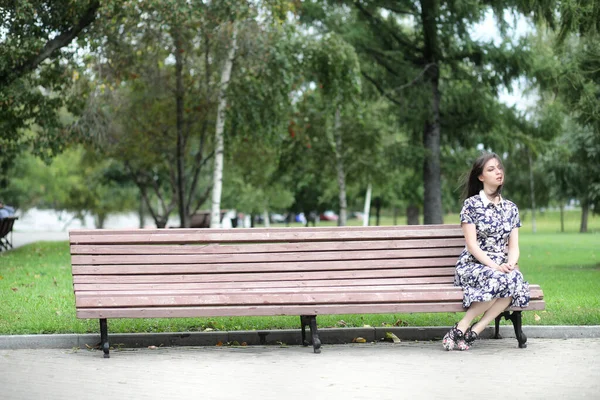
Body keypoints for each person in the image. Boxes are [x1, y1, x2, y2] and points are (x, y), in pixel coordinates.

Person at [443, 152, 530, 351]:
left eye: (499, 168)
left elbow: (514, 246)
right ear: (481, 177)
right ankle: (462, 326)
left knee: (514, 279)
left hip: (500, 266)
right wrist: (494, 266)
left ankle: (477, 329)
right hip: (474, 265)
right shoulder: (471, 205)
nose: (498, 172)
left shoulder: (511, 209)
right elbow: (472, 246)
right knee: (499, 280)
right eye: (491, 169)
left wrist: (510, 263)